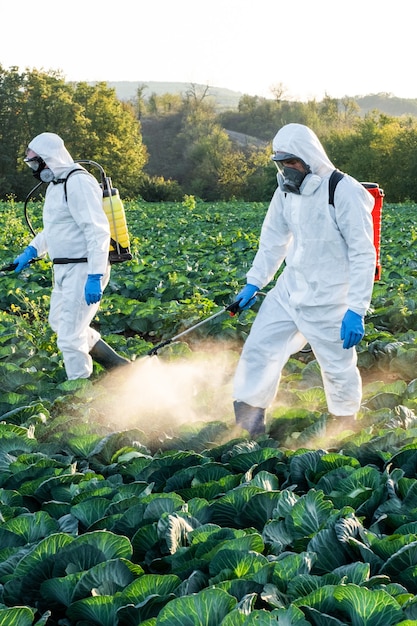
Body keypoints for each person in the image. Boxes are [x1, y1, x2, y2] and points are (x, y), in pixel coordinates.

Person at [232, 123, 376, 437]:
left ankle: (343, 430)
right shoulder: (286, 190)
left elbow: (364, 254)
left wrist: (356, 310)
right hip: (289, 290)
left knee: (338, 370)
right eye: (281, 164)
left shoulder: (344, 191)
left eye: (292, 163)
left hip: (331, 298)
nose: (287, 170)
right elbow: (273, 239)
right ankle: (249, 427)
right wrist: (255, 282)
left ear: (309, 157)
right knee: (259, 350)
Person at [14, 132, 130, 380]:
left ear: (49, 159)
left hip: (84, 268)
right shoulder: (57, 184)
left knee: (70, 336)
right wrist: (31, 251)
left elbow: (97, 230)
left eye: (35, 162)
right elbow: (56, 227)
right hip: (64, 269)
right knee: (60, 323)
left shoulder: (78, 182)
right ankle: (119, 366)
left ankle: (79, 392)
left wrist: (94, 275)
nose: (33, 168)